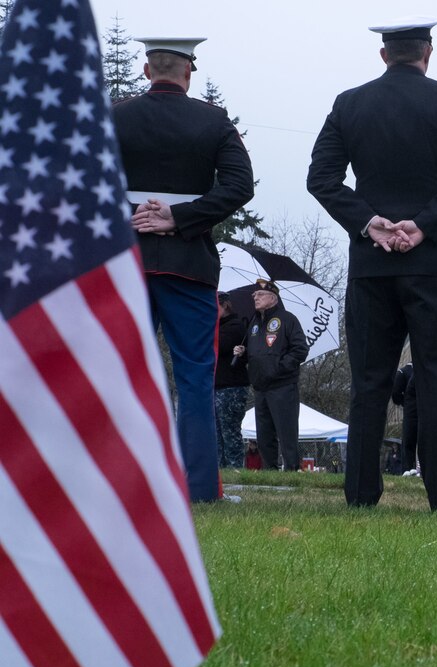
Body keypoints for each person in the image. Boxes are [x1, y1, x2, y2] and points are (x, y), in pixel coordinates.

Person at [307, 16, 437, 510]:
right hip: (433, 265)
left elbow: (321, 178)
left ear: (383, 55)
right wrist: (423, 224)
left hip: (372, 265)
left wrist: (370, 222)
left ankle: (361, 494)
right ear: (428, 52)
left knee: (368, 381)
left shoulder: (350, 104)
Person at [113, 37, 255, 502]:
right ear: (188, 71)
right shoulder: (213, 120)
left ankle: (122, 483)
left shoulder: (114, 116)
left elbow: (81, 182)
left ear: (146, 68)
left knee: (123, 375)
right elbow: (239, 186)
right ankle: (198, 491)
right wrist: (179, 218)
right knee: (195, 379)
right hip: (188, 266)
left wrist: (135, 215)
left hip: (126, 263)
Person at [232, 280, 309, 470]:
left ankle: (291, 469)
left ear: (273, 298)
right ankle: (270, 471)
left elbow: (300, 350)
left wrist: (278, 368)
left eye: (259, 294)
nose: (255, 298)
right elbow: (254, 355)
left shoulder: (288, 320)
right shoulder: (254, 323)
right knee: (264, 434)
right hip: (260, 386)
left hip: (282, 385)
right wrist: (242, 354)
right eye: (254, 295)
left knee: (286, 431)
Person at [214, 292, 249, 468]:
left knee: (229, 431)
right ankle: (221, 470)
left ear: (225, 306)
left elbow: (218, 345)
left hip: (231, 388)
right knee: (217, 433)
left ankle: (235, 468)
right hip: (217, 386)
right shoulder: (218, 326)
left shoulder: (235, 327)